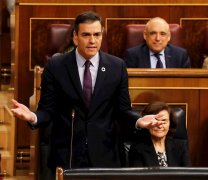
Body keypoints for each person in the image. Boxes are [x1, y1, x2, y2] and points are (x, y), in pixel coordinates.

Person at [11, 11, 163, 173]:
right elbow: (47, 111)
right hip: (67, 155)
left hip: (105, 155)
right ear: (75, 37)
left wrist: (138, 121)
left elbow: (123, 111)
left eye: (97, 34)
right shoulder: (56, 66)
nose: (92, 41)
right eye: (86, 35)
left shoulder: (116, 67)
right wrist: (33, 117)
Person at [129, 101, 191, 167]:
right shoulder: (138, 149)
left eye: (164, 121)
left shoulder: (180, 146)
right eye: (156, 121)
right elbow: (137, 176)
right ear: (146, 124)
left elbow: (188, 175)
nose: (159, 125)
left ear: (170, 123)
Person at [124, 17, 191, 68]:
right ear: (145, 35)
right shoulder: (132, 55)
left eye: (162, 34)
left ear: (169, 37)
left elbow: (187, 83)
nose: (157, 39)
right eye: (153, 33)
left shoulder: (181, 55)